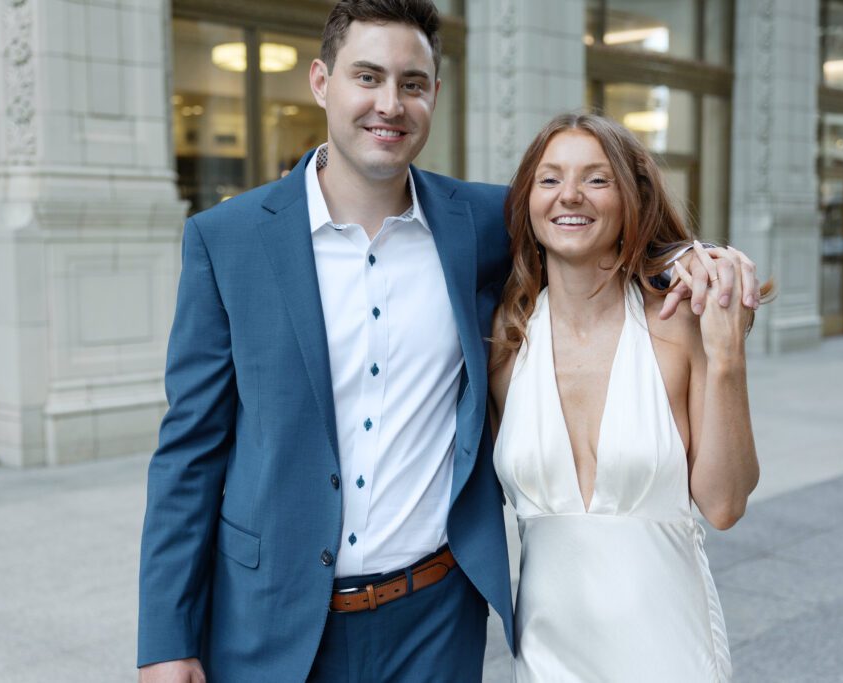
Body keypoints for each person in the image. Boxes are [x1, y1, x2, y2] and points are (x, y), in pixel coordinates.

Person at [137, 2, 759, 681]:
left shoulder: (482, 223)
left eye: (412, 82)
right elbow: (188, 454)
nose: (389, 104)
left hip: (434, 622)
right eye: (367, 77)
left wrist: (696, 264)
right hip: (273, 623)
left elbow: (594, 222)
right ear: (321, 81)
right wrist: (167, 637)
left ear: (435, 93)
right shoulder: (226, 241)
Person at [489, 113, 768, 682]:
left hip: (669, 651)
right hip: (548, 658)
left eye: (597, 179)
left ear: (630, 199)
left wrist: (727, 359)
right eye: (550, 179)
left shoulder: (678, 330)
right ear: (527, 201)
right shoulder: (507, 343)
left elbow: (724, 504)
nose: (570, 195)